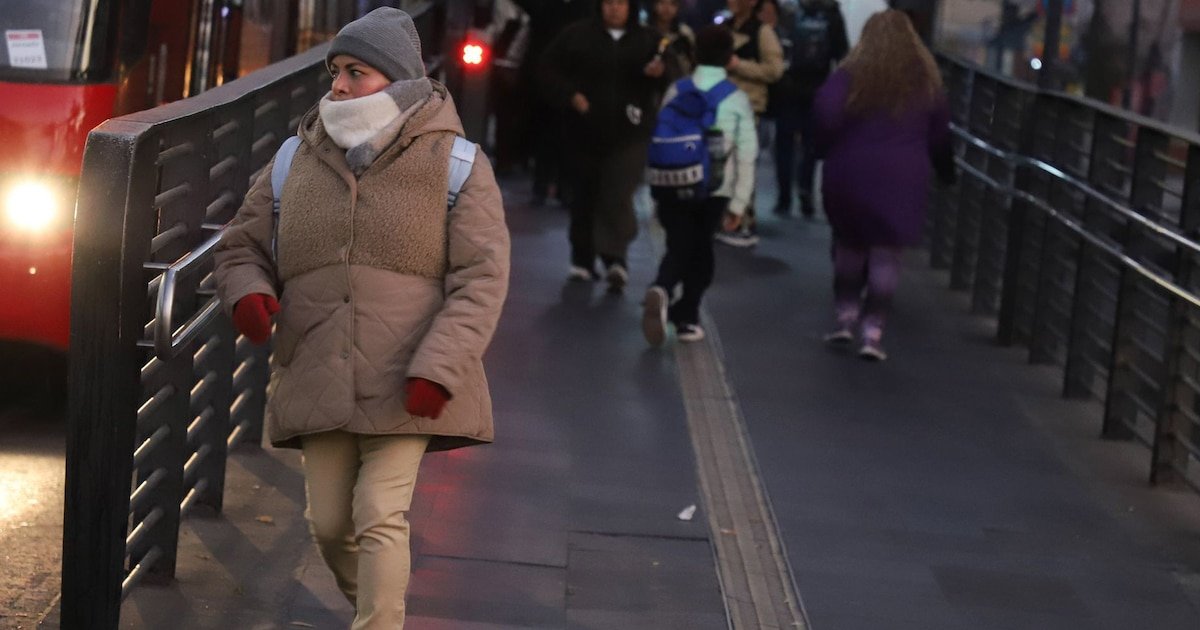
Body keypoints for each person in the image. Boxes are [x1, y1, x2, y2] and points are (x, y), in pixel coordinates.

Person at [213, 8, 510, 627]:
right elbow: (242, 242)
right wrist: (248, 292)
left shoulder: (457, 164)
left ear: (398, 82)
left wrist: (439, 366)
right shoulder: (297, 157)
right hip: (317, 364)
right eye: (335, 72)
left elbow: (481, 280)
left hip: (409, 375)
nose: (338, 87)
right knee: (326, 523)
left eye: (356, 72)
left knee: (379, 512)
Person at [812, 9, 951, 361]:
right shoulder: (925, 80)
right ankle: (872, 334)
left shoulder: (849, 75)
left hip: (849, 173)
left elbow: (825, 115)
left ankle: (845, 318)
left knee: (849, 246)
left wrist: (821, 150)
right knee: (886, 255)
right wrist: (947, 172)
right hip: (902, 179)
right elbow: (940, 136)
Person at [642, 25, 757, 345]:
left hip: (671, 184)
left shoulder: (677, 90)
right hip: (713, 191)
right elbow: (747, 154)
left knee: (680, 243)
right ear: (730, 59)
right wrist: (739, 203)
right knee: (700, 251)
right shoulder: (736, 99)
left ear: (693, 55)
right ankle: (685, 315)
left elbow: (661, 135)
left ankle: (666, 294)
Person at [541, 0, 666, 291]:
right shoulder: (577, 35)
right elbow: (547, 69)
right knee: (583, 195)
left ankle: (615, 258)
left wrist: (658, 75)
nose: (614, 8)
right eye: (608, 2)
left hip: (630, 134)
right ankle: (582, 259)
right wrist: (571, 95)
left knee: (617, 193)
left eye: (620, 3)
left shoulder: (647, 40)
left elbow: (671, 75)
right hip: (583, 130)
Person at [715, 0, 783, 247]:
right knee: (723, 168)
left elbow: (775, 70)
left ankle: (744, 224)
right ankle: (725, 220)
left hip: (748, 108)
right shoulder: (725, 27)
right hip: (721, 106)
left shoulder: (762, 32)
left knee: (743, 167)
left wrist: (738, 65)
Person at [772, 0, 847, 218]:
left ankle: (783, 197)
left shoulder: (788, 9)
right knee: (810, 145)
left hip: (788, 87)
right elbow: (841, 52)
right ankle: (805, 191)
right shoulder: (831, 12)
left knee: (784, 143)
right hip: (818, 86)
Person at [648, 0, 696, 84]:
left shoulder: (684, 33)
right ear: (655, 5)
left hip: (680, 85)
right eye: (662, 2)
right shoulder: (645, 32)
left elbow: (693, 61)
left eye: (672, 4)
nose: (666, 8)